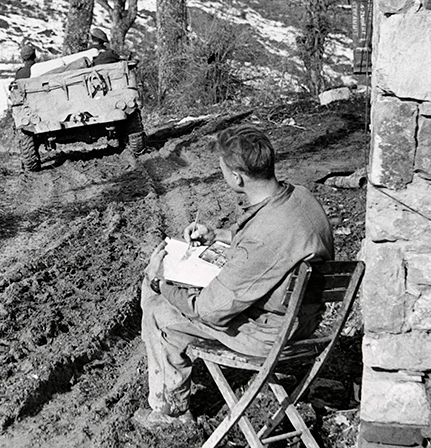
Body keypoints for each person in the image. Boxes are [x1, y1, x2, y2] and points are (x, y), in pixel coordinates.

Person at [135, 125, 333, 429]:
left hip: (272, 336)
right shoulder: (300, 198)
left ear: (237, 177)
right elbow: (275, 246)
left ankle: (170, 412)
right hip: (304, 318)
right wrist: (218, 235)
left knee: (158, 305)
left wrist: (159, 284)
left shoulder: (264, 238)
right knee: (175, 294)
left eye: (223, 170)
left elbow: (210, 311)